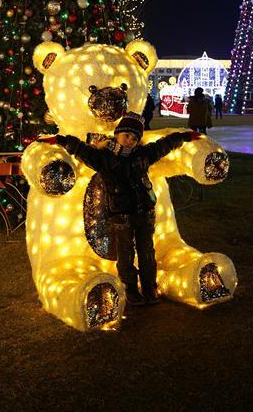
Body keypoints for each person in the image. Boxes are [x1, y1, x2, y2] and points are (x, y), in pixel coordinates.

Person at [39, 114, 199, 304]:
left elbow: (162, 146)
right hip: (121, 217)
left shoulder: (142, 155)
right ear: (117, 135)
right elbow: (83, 151)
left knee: (147, 252)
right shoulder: (104, 158)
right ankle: (130, 288)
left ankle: (149, 287)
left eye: (134, 138)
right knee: (125, 254)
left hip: (144, 213)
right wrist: (61, 140)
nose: (130, 140)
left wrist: (183, 137)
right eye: (126, 136)